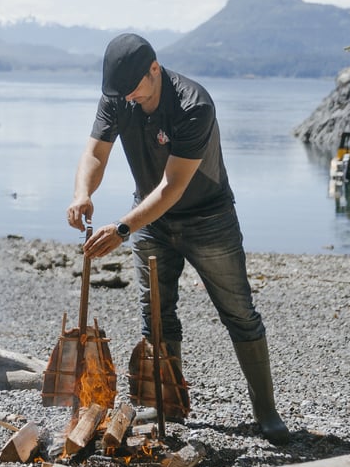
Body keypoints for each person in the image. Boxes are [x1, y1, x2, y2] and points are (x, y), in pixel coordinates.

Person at [65, 32, 290, 444]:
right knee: (156, 316)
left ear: (155, 69)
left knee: (239, 313)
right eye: (121, 93)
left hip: (208, 219)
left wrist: (120, 230)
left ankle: (266, 411)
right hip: (150, 222)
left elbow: (172, 187)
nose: (128, 99)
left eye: (134, 90)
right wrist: (83, 193)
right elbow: (95, 153)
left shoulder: (193, 105)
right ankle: (169, 404)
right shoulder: (118, 97)